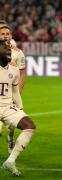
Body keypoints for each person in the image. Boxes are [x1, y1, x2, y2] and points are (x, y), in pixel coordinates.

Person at [0, 39, 35, 176]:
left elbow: (15, 92)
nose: (9, 50)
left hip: (8, 107)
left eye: (9, 48)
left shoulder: (14, 69)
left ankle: (10, 161)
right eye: (5, 48)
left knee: (30, 126)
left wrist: (20, 110)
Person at [0, 23, 26, 154]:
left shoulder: (18, 53)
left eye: (7, 34)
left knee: (13, 124)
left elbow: (22, 74)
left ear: (11, 36)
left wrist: (18, 92)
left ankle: (10, 138)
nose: (5, 36)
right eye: (2, 34)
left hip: (11, 93)